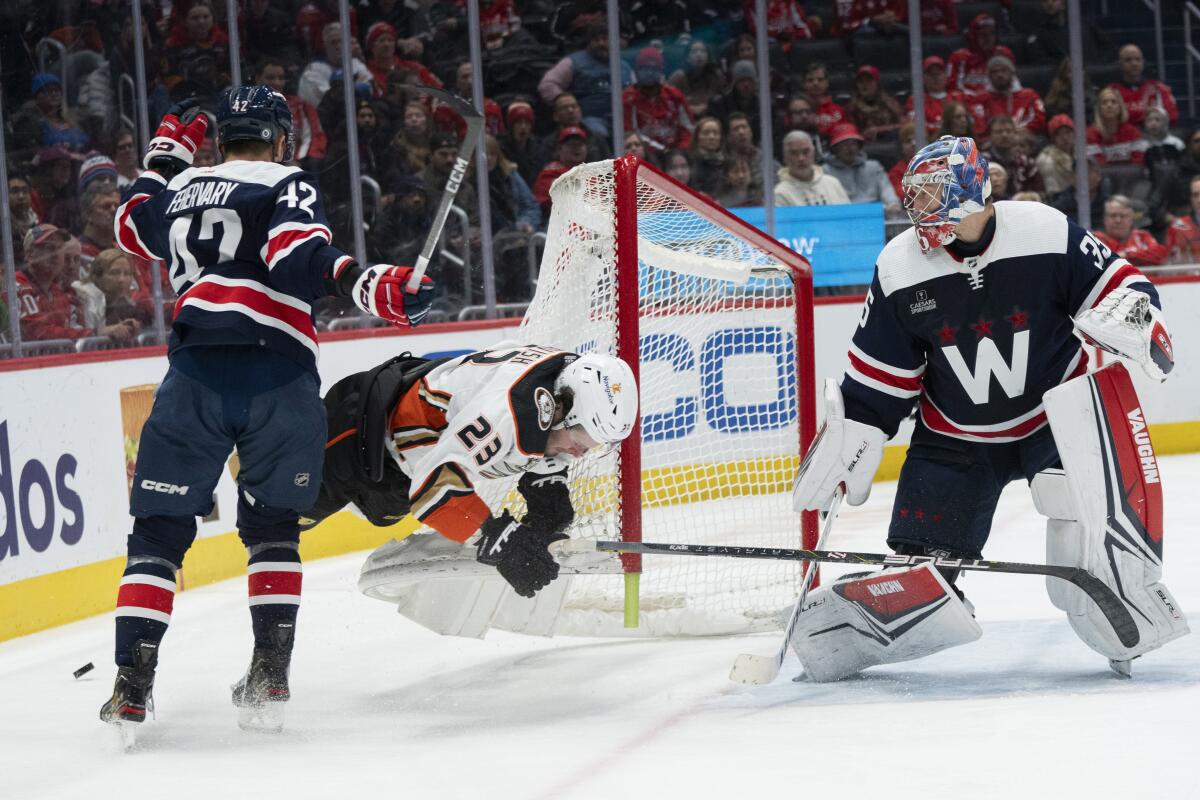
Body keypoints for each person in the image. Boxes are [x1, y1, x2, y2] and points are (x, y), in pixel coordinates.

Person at [99, 88, 435, 735]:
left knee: (157, 538)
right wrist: (370, 284)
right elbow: (295, 256)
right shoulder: (287, 182)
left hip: (194, 377)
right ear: (280, 138)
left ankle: (132, 687)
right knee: (274, 530)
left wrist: (167, 147)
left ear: (219, 140)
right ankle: (269, 673)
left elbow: (129, 221)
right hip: (279, 377)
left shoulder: (184, 186)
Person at [789, 134, 1183, 682]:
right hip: (956, 436)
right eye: (914, 196)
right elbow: (879, 376)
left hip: (1056, 417)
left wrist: (1136, 314)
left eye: (932, 195)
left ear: (974, 190)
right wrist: (856, 428)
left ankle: (1114, 593)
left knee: (1074, 512)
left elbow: (1120, 285)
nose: (918, 210)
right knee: (921, 568)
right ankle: (870, 628)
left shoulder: (1043, 230)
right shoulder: (900, 266)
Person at [299, 347, 636, 599]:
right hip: (358, 437)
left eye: (592, 445)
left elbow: (549, 446)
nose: (580, 452)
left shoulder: (562, 388)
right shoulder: (507, 412)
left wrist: (548, 509)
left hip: (398, 468)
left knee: (376, 510)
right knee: (280, 516)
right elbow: (432, 488)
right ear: (559, 410)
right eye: (579, 440)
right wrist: (499, 539)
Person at [16, 224, 136, 343]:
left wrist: (115, 329)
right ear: (30, 253)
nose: (56, 254)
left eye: (60, 248)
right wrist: (97, 333)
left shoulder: (62, 292)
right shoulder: (16, 285)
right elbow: (38, 332)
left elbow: (75, 329)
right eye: (49, 247)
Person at [538, 23, 632, 139]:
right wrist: (564, 103)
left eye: (605, 39)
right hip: (590, 119)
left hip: (622, 120)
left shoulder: (625, 67)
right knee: (598, 135)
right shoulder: (573, 63)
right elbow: (547, 84)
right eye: (596, 40)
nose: (601, 44)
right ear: (589, 41)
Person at [622, 47, 694, 154]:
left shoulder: (675, 95)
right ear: (636, 71)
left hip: (676, 153)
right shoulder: (628, 98)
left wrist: (681, 151)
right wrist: (662, 150)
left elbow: (688, 128)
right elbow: (630, 133)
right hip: (644, 154)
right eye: (645, 68)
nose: (650, 73)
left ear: (661, 71)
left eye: (654, 68)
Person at [821, 123, 899, 210]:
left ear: (859, 146)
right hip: (842, 215)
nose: (850, 148)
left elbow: (886, 189)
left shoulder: (873, 167)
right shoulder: (825, 171)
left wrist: (893, 203)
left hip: (874, 213)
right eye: (844, 144)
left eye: (853, 143)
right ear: (834, 148)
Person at [968, 54, 1046, 135]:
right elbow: (978, 125)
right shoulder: (980, 99)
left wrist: (1023, 130)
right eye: (995, 72)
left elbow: (1039, 120)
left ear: (1012, 73)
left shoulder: (1029, 95)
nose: (999, 75)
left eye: (1004, 70)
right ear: (989, 76)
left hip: (1023, 139)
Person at [1107, 43, 1178, 127]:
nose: (1134, 63)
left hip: (1152, 135)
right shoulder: (1111, 91)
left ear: (1143, 62)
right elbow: (1107, 120)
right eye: (1128, 60)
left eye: (1138, 59)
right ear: (1120, 64)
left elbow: (1172, 117)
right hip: (1123, 137)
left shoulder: (1158, 88)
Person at [774, 130, 850, 207]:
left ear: (814, 153)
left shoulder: (833, 183)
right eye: (794, 153)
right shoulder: (780, 193)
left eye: (806, 152)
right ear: (785, 158)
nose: (801, 158)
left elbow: (848, 216)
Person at [948, 13, 1015, 94]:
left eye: (992, 33)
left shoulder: (1004, 54)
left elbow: (1012, 85)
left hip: (997, 103)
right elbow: (953, 90)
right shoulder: (959, 57)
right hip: (968, 104)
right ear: (974, 36)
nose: (988, 38)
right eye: (983, 34)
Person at [1094, 195, 1168, 267]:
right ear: (1104, 219)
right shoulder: (1096, 239)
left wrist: (1128, 254)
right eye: (1113, 215)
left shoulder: (1142, 236)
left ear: (1131, 219)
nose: (1118, 220)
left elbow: (1160, 255)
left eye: (1123, 216)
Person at [906, 56, 969, 140]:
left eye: (938, 73)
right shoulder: (916, 100)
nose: (935, 77)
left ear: (945, 75)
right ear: (924, 77)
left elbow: (969, 124)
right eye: (931, 74)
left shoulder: (959, 96)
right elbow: (916, 128)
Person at [982, 115, 1044, 196]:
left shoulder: (1025, 161)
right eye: (999, 132)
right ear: (990, 135)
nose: (1004, 135)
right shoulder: (981, 162)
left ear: (1014, 133)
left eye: (1008, 131)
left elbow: (1039, 190)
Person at [533, 126, 590, 212]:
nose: (576, 148)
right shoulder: (550, 173)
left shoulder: (592, 171)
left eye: (580, 144)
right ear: (560, 149)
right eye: (571, 145)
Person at [667, 40, 727, 119]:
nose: (699, 55)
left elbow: (726, 99)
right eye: (694, 52)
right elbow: (667, 101)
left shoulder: (717, 75)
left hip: (712, 119)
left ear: (708, 56)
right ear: (687, 57)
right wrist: (689, 108)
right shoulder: (679, 77)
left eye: (703, 51)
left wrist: (708, 107)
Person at [1086, 87, 1144, 166]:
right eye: (1104, 102)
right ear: (1099, 109)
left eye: (1114, 102)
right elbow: (1097, 166)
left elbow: (1138, 162)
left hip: (1131, 177)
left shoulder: (1133, 132)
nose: (1109, 105)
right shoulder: (1090, 134)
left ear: (1120, 107)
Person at [847, 65, 903, 142]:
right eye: (861, 81)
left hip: (890, 142)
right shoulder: (852, 108)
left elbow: (904, 124)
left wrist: (879, 130)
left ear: (877, 83)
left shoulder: (890, 103)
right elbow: (849, 133)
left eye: (869, 81)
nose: (864, 85)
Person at [801, 62, 848, 139]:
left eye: (820, 79)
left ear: (827, 83)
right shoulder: (796, 109)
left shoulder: (838, 110)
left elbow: (845, 135)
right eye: (810, 80)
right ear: (804, 84)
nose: (815, 83)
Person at [1036, 114, 1076, 197]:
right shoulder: (1045, 159)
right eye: (1059, 134)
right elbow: (1053, 194)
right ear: (1053, 138)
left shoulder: (1082, 154)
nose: (1065, 137)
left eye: (1068, 132)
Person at [1166, 175, 1200, 263]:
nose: (1199, 200)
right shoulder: (1179, 226)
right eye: (1195, 195)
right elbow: (1171, 263)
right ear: (1191, 199)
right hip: (1190, 275)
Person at [689, 117, 725, 195]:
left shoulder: (728, 162)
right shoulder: (689, 162)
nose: (711, 137)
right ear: (697, 137)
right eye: (706, 133)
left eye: (715, 133)